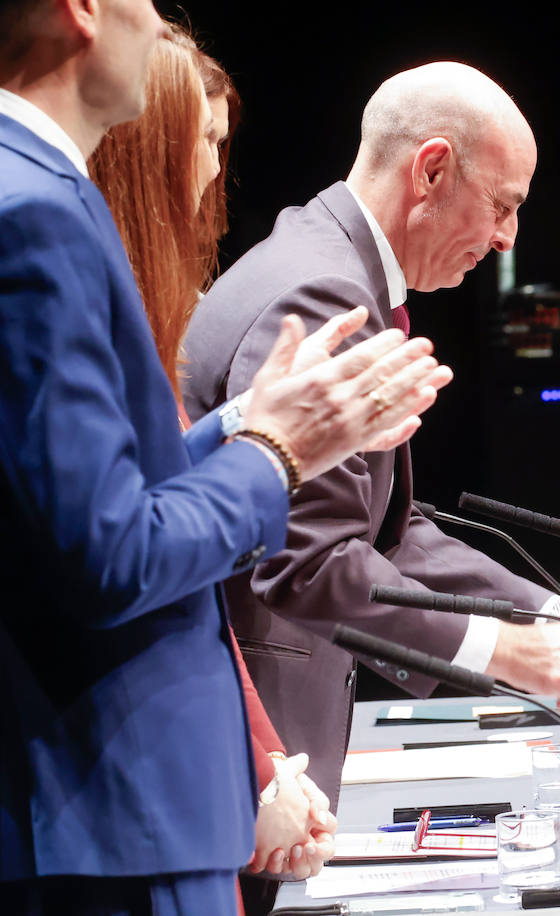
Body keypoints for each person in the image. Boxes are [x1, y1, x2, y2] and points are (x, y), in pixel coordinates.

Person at [181, 62, 560, 906]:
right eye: (505, 204)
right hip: (233, 748)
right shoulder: (323, 289)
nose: (509, 237)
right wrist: (508, 652)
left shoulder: (327, 263)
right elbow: (307, 559)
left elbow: (389, 532)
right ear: (432, 170)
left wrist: (551, 616)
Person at [0, 0, 448, 911]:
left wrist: (252, 419)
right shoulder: (32, 212)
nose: (160, 21)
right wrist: (276, 450)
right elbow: (111, 557)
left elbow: (92, 495)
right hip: (119, 812)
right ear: (81, 10)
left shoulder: (40, 193)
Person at [87, 23, 338, 896]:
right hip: (132, 797)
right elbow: (132, 565)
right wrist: (274, 443)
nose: (212, 177)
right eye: (207, 143)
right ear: (148, 148)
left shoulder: (149, 308)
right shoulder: (77, 283)